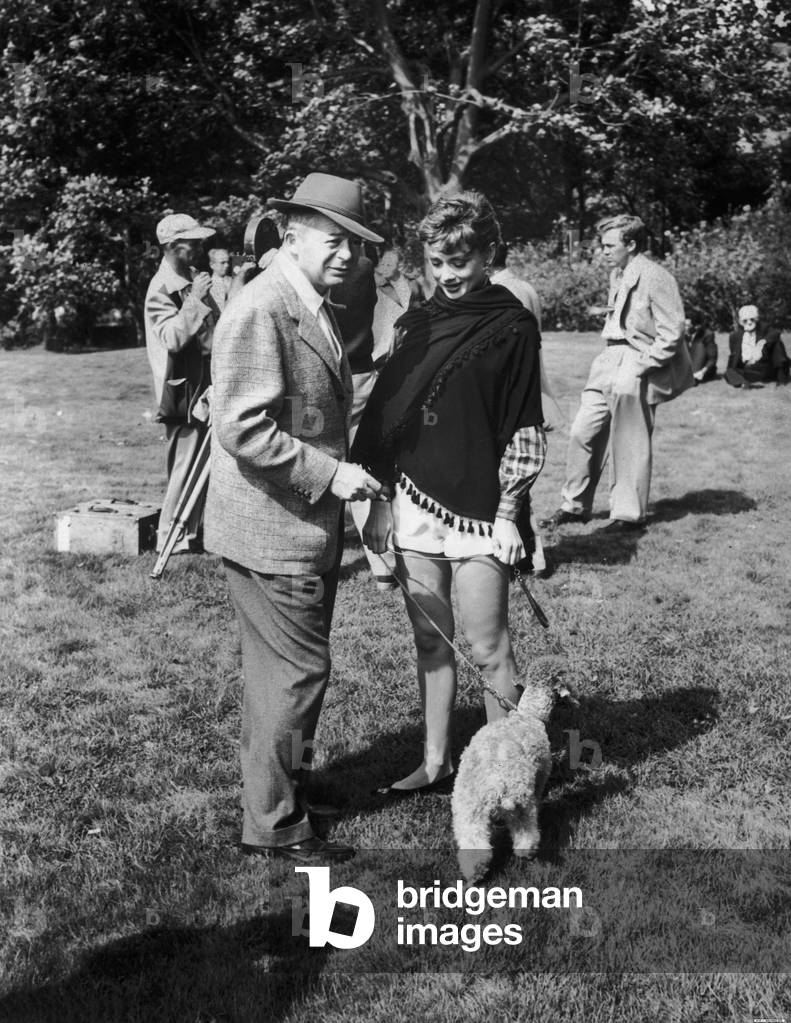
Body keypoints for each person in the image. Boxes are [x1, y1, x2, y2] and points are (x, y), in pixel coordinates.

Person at [204, 173, 384, 864]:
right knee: (298, 673)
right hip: (274, 529)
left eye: (357, 245)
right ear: (293, 234)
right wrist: (331, 474)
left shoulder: (309, 300)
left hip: (293, 524)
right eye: (335, 240)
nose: (347, 256)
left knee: (278, 674)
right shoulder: (262, 306)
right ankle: (275, 822)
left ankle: (284, 791)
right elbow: (241, 425)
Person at [351, 191, 546, 796]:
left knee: (488, 650)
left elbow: (523, 423)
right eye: (437, 262)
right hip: (411, 503)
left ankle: (505, 778)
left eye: (460, 261)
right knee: (431, 642)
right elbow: (387, 417)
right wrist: (380, 498)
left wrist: (511, 511)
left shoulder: (513, 325)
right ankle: (437, 763)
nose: (448, 275)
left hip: (483, 511)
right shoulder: (417, 323)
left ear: (489, 254)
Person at [542, 214, 692, 534]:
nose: (603, 251)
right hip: (607, 359)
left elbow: (673, 330)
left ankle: (627, 515)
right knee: (583, 431)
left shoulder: (656, 276)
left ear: (632, 244)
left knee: (628, 439)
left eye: (610, 246)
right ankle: (574, 506)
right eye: (603, 245)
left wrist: (644, 364)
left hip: (635, 362)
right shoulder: (617, 274)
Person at [144, 213, 216, 553]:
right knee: (183, 464)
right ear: (173, 246)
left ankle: (189, 535)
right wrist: (196, 300)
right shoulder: (161, 289)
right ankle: (168, 539)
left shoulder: (190, 277)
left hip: (201, 383)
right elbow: (172, 337)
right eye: (194, 242)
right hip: (181, 390)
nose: (201, 247)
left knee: (201, 461)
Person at [331, 252, 398, 590]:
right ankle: (384, 567)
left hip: (323, 383)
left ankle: (315, 561)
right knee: (364, 468)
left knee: (316, 463)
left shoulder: (320, 263)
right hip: (363, 375)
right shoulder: (365, 266)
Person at [724, 304, 789, 387]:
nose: (749, 322)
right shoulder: (734, 336)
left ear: (757, 319)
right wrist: (731, 369)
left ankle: (782, 378)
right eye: (745, 321)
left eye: (752, 319)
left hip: (765, 366)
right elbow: (733, 355)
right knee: (728, 373)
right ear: (740, 322)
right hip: (749, 369)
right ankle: (744, 383)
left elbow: (775, 333)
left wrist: (761, 343)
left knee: (777, 343)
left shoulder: (763, 328)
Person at [685, 314, 718, 384]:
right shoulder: (683, 335)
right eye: (684, 325)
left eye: (687, 326)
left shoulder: (707, 335)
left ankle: (694, 375)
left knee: (699, 345)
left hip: (703, 369)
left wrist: (702, 372)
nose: (685, 328)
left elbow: (712, 358)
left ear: (697, 326)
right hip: (688, 368)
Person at [207, 247, 232, 313]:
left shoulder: (233, 280)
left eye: (228, 262)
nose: (227, 265)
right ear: (212, 265)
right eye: (222, 262)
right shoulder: (208, 285)